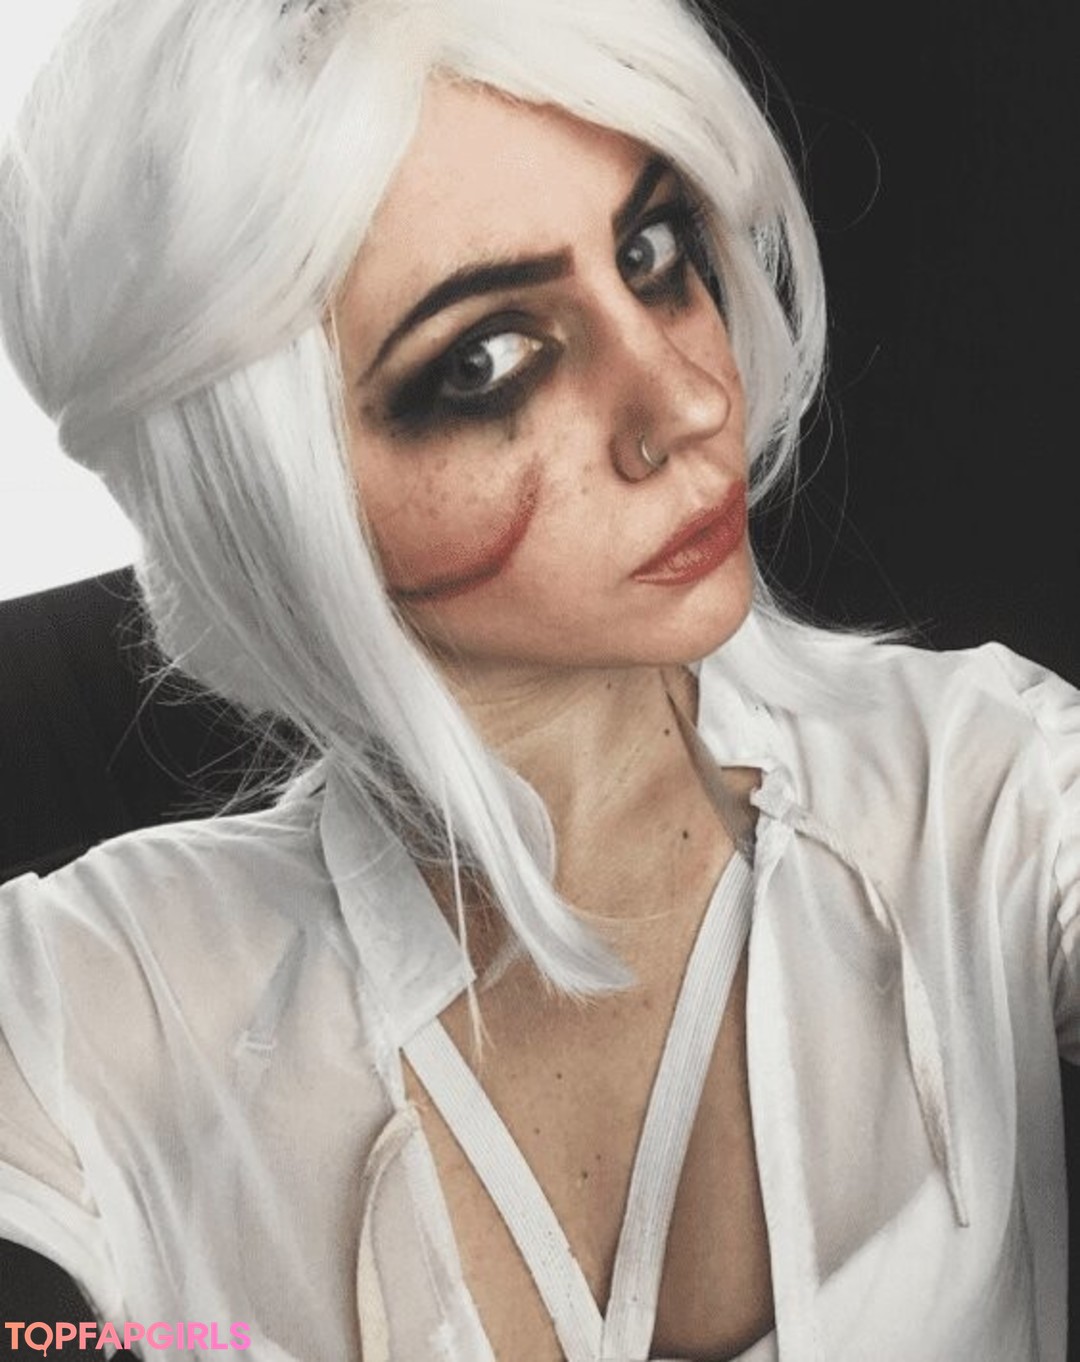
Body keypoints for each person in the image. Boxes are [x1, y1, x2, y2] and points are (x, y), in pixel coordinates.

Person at [0, 1, 1076, 1359]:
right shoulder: (84, 1003)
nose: (687, 401)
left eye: (654, 254)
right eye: (486, 361)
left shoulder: (994, 796)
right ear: (265, 490)